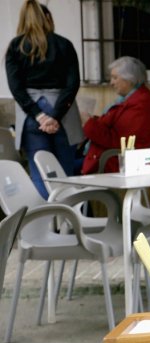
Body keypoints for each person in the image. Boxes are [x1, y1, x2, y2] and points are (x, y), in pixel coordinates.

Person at [5, 0, 82, 199]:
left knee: (39, 174)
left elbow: (16, 88)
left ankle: (45, 223)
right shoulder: (64, 44)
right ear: (47, 18)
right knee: (65, 176)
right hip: (63, 113)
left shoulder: (15, 47)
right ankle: (68, 223)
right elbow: (72, 84)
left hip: (30, 114)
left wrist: (39, 115)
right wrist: (55, 116)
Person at [79, 56, 150, 174]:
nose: (111, 82)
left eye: (115, 78)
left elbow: (119, 141)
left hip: (112, 162)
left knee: (64, 166)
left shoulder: (140, 104)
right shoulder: (131, 99)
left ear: (130, 79)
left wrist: (88, 123)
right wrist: (91, 120)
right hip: (103, 157)